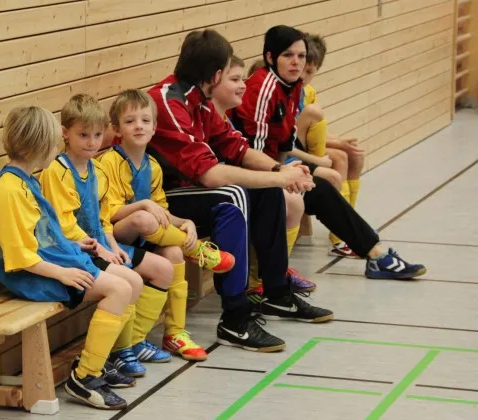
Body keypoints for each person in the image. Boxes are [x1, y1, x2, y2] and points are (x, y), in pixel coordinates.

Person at [146, 29, 334, 354]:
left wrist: (279, 171)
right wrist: (279, 178)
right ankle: (235, 317)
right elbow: (210, 175)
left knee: (266, 191)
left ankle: (277, 293)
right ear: (216, 74)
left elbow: (237, 147)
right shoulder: (169, 101)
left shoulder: (200, 101)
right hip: (156, 201)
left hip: (187, 192)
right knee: (233, 196)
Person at [233, 25, 427, 281]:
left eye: (301, 56)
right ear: (270, 57)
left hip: (272, 169)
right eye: (288, 55)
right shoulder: (263, 89)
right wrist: (282, 175)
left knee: (320, 187)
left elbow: (283, 145)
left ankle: (375, 254)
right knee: (298, 194)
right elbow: (251, 154)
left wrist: (288, 170)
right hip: (247, 174)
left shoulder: (293, 87)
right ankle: (267, 280)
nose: (296, 62)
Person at [0, 106, 131, 410]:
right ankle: (85, 377)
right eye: (53, 143)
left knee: (129, 284)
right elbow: (19, 256)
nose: (56, 149)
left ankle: (96, 364)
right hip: (31, 276)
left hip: (47, 266)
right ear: (39, 146)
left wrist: (74, 245)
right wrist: (63, 273)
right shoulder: (8, 190)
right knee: (119, 290)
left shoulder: (25, 180)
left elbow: (41, 236)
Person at [40, 94, 176, 379]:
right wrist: (102, 251)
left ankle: (132, 344)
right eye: (83, 135)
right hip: (74, 252)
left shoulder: (96, 169)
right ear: (65, 133)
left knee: (163, 268)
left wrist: (113, 246)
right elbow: (64, 227)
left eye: (97, 135)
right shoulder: (57, 171)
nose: (92, 142)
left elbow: (103, 220)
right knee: (131, 281)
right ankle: (119, 353)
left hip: (99, 247)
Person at [100, 88, 235, 361]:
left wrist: (185, 222)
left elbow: (161, 211)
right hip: (112, 238)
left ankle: (171, 333)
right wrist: (143, 205)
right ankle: (197, 250)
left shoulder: (152, 165)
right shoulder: (108, 162)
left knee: (173, 252)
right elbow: (110, 214)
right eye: (130, 121)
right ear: (117, 129)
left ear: (154, 128)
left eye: (145, 120)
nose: (139, 126)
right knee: (143, 217)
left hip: (145, 235)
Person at [213, 55, 318, 295]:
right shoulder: (212, 116)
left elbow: (245, 152)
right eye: (235, 80)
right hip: (212, 192)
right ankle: (251, 290)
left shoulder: (225, 120)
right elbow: (217, 173)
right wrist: (281, 175)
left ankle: (273, 281)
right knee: (276, 194)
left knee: (290, 194)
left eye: (243, 79)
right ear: (214, 81)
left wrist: (283, 171)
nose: (243, 85)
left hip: (237, 182)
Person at [293, 33, 366, 258]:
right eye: (302, 69)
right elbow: (293, 134)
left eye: (310, 72)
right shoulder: (287, 91)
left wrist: (341, 142)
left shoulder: (309, 92)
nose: (303, 76)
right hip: (296, 150)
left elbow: (317, 132)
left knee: (355, 156)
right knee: (340, 158)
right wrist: (335, 146)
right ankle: (339, 238)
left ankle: (351, 224)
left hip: (307, 146)